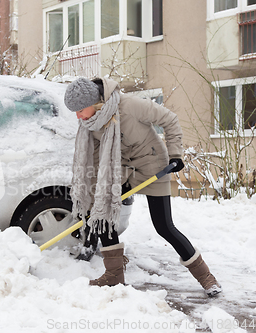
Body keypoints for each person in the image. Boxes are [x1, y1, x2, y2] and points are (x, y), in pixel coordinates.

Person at [64, 77, 222, 297]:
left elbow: (170, 119)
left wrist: (175, 154)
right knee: (104, 212)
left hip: (151, 164)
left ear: (95, 101)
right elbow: (95, 157)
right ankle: (114, 274)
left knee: (164, 226)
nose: (78, 116)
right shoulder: (91, 123)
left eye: (80, 110)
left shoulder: (130, 106)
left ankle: (206, 277)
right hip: (119, 166)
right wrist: (95, 196)